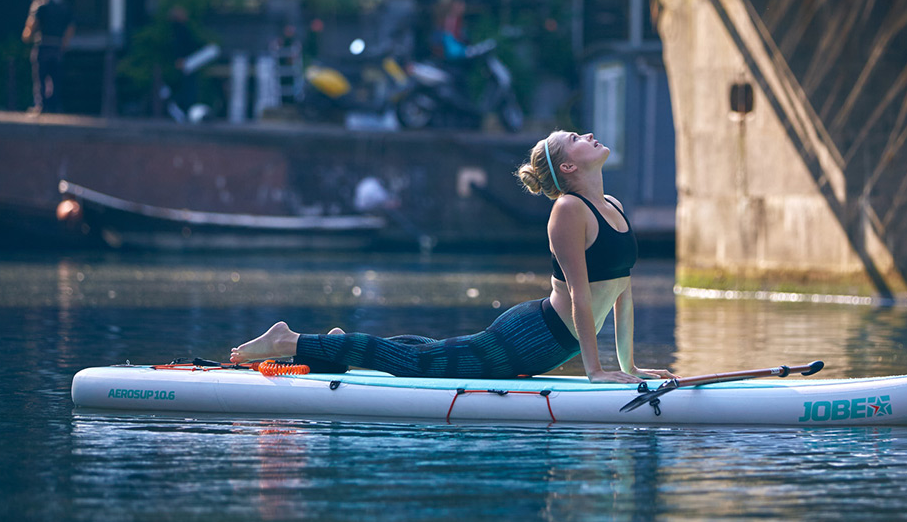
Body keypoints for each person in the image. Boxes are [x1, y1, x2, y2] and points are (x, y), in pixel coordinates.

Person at [231, 131, 675, 384]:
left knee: (435, 353)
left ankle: (336, 344)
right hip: (531, 337)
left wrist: (629, 366)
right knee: (423, 366)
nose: (589, 136)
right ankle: (288, 341)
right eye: (576, 138)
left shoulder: (612, 206)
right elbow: (581, 297)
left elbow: (623, 297)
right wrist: (596, 373)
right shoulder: (568, 211)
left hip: (552, 342)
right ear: (570, 169)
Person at [21, 0, 74, 114]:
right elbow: (71, 26)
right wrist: (64, 43)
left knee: (40, 77)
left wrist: (27, 36)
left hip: (43, 45)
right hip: (56, 46)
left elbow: (32, 26)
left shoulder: (40, 6)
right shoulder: (62, 7)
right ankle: (55, 106)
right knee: (55, 78)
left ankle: (41, 105)